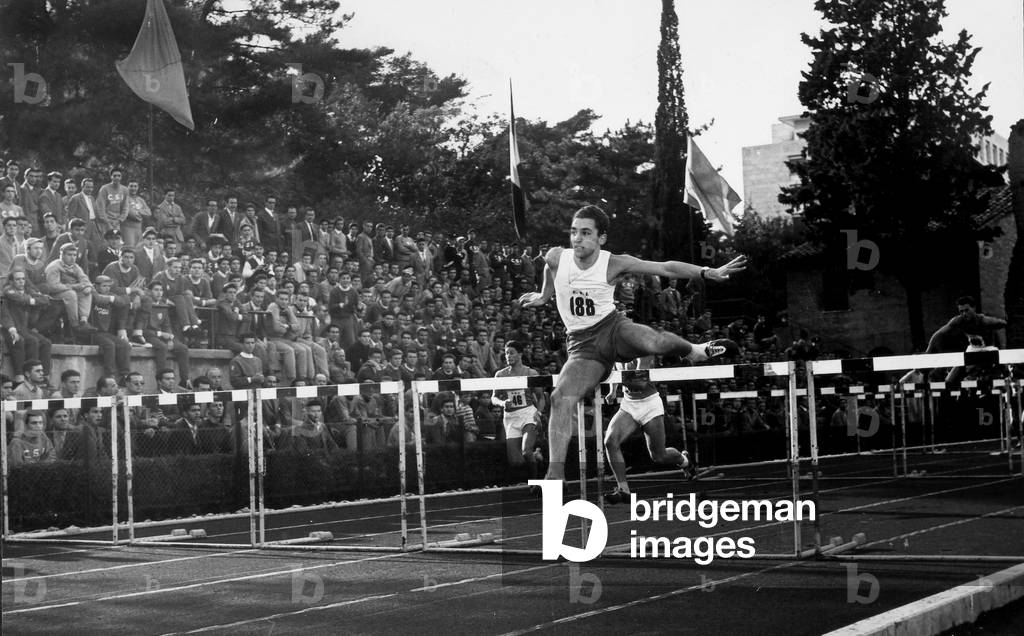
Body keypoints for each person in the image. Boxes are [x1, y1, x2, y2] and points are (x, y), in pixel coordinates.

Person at [517, 205, 746, 481]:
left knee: (658, 342)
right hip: (583, 347)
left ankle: (696, 351)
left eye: (586, 233)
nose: (577, 239)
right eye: (574, 232)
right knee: (559, 398)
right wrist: (544, 296)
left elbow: (665, 267)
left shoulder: (615, 262)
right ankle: (555, 474)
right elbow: (549, 268)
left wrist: (707, 271)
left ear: (601, 238)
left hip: (614, 329)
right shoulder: (557, 256)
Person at [602, 356, 691, 504]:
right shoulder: (615, 349)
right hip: (629, 404)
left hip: (650, 405)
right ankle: (623, 490)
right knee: (610, 442)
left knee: (659, 456)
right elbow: (615, 370)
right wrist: (613, 390)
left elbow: (641, 383)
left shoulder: (642, 351)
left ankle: (685, 461)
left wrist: (604, 375)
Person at [491, 341, 547, 481]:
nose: (508, 356)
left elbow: (541, 397)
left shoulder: (531, 373)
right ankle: (536, 456)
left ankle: (535, 484)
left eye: (511, 352)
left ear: (520, 354)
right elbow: (494, 397)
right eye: (506, 353)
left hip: (528, 413)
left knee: (526, 450)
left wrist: (538, 413)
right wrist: (503, 403)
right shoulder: (500, 375)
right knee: (516, 462)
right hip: (510, 417)